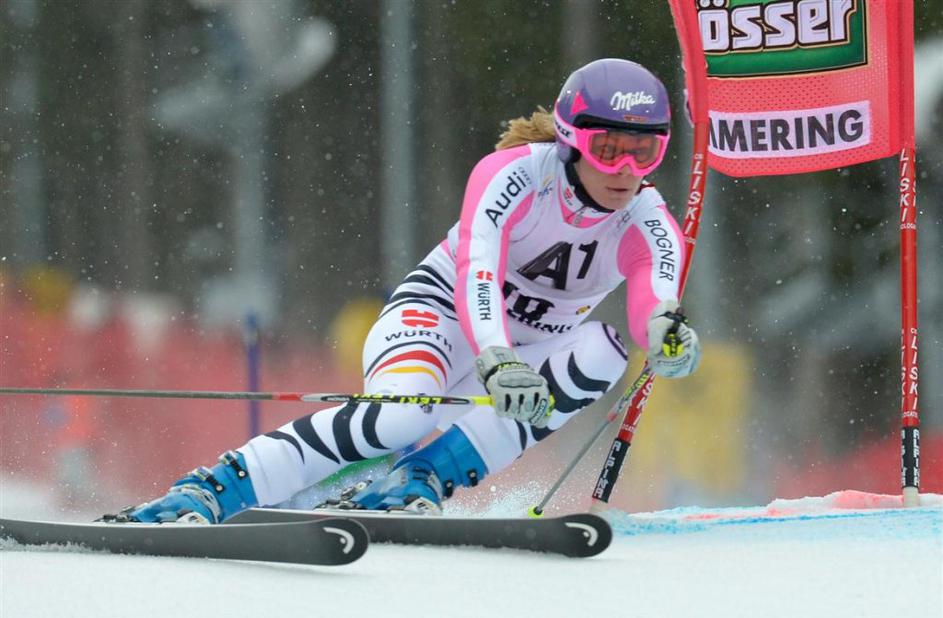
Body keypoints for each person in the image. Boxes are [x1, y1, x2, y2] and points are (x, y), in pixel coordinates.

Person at [116, 58, 701, 524]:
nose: (626, 169)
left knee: (604, 353)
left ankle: (417, 479)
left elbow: (656, 300)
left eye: (645, 151)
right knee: (401, 418)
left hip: (521, 360)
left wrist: (666, 336)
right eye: (607, 149)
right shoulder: (517, 175)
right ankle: (215, 488)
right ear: (571, 141)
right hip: (440, 320)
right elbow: (477, 269)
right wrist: (497, 358)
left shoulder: (649, 220)